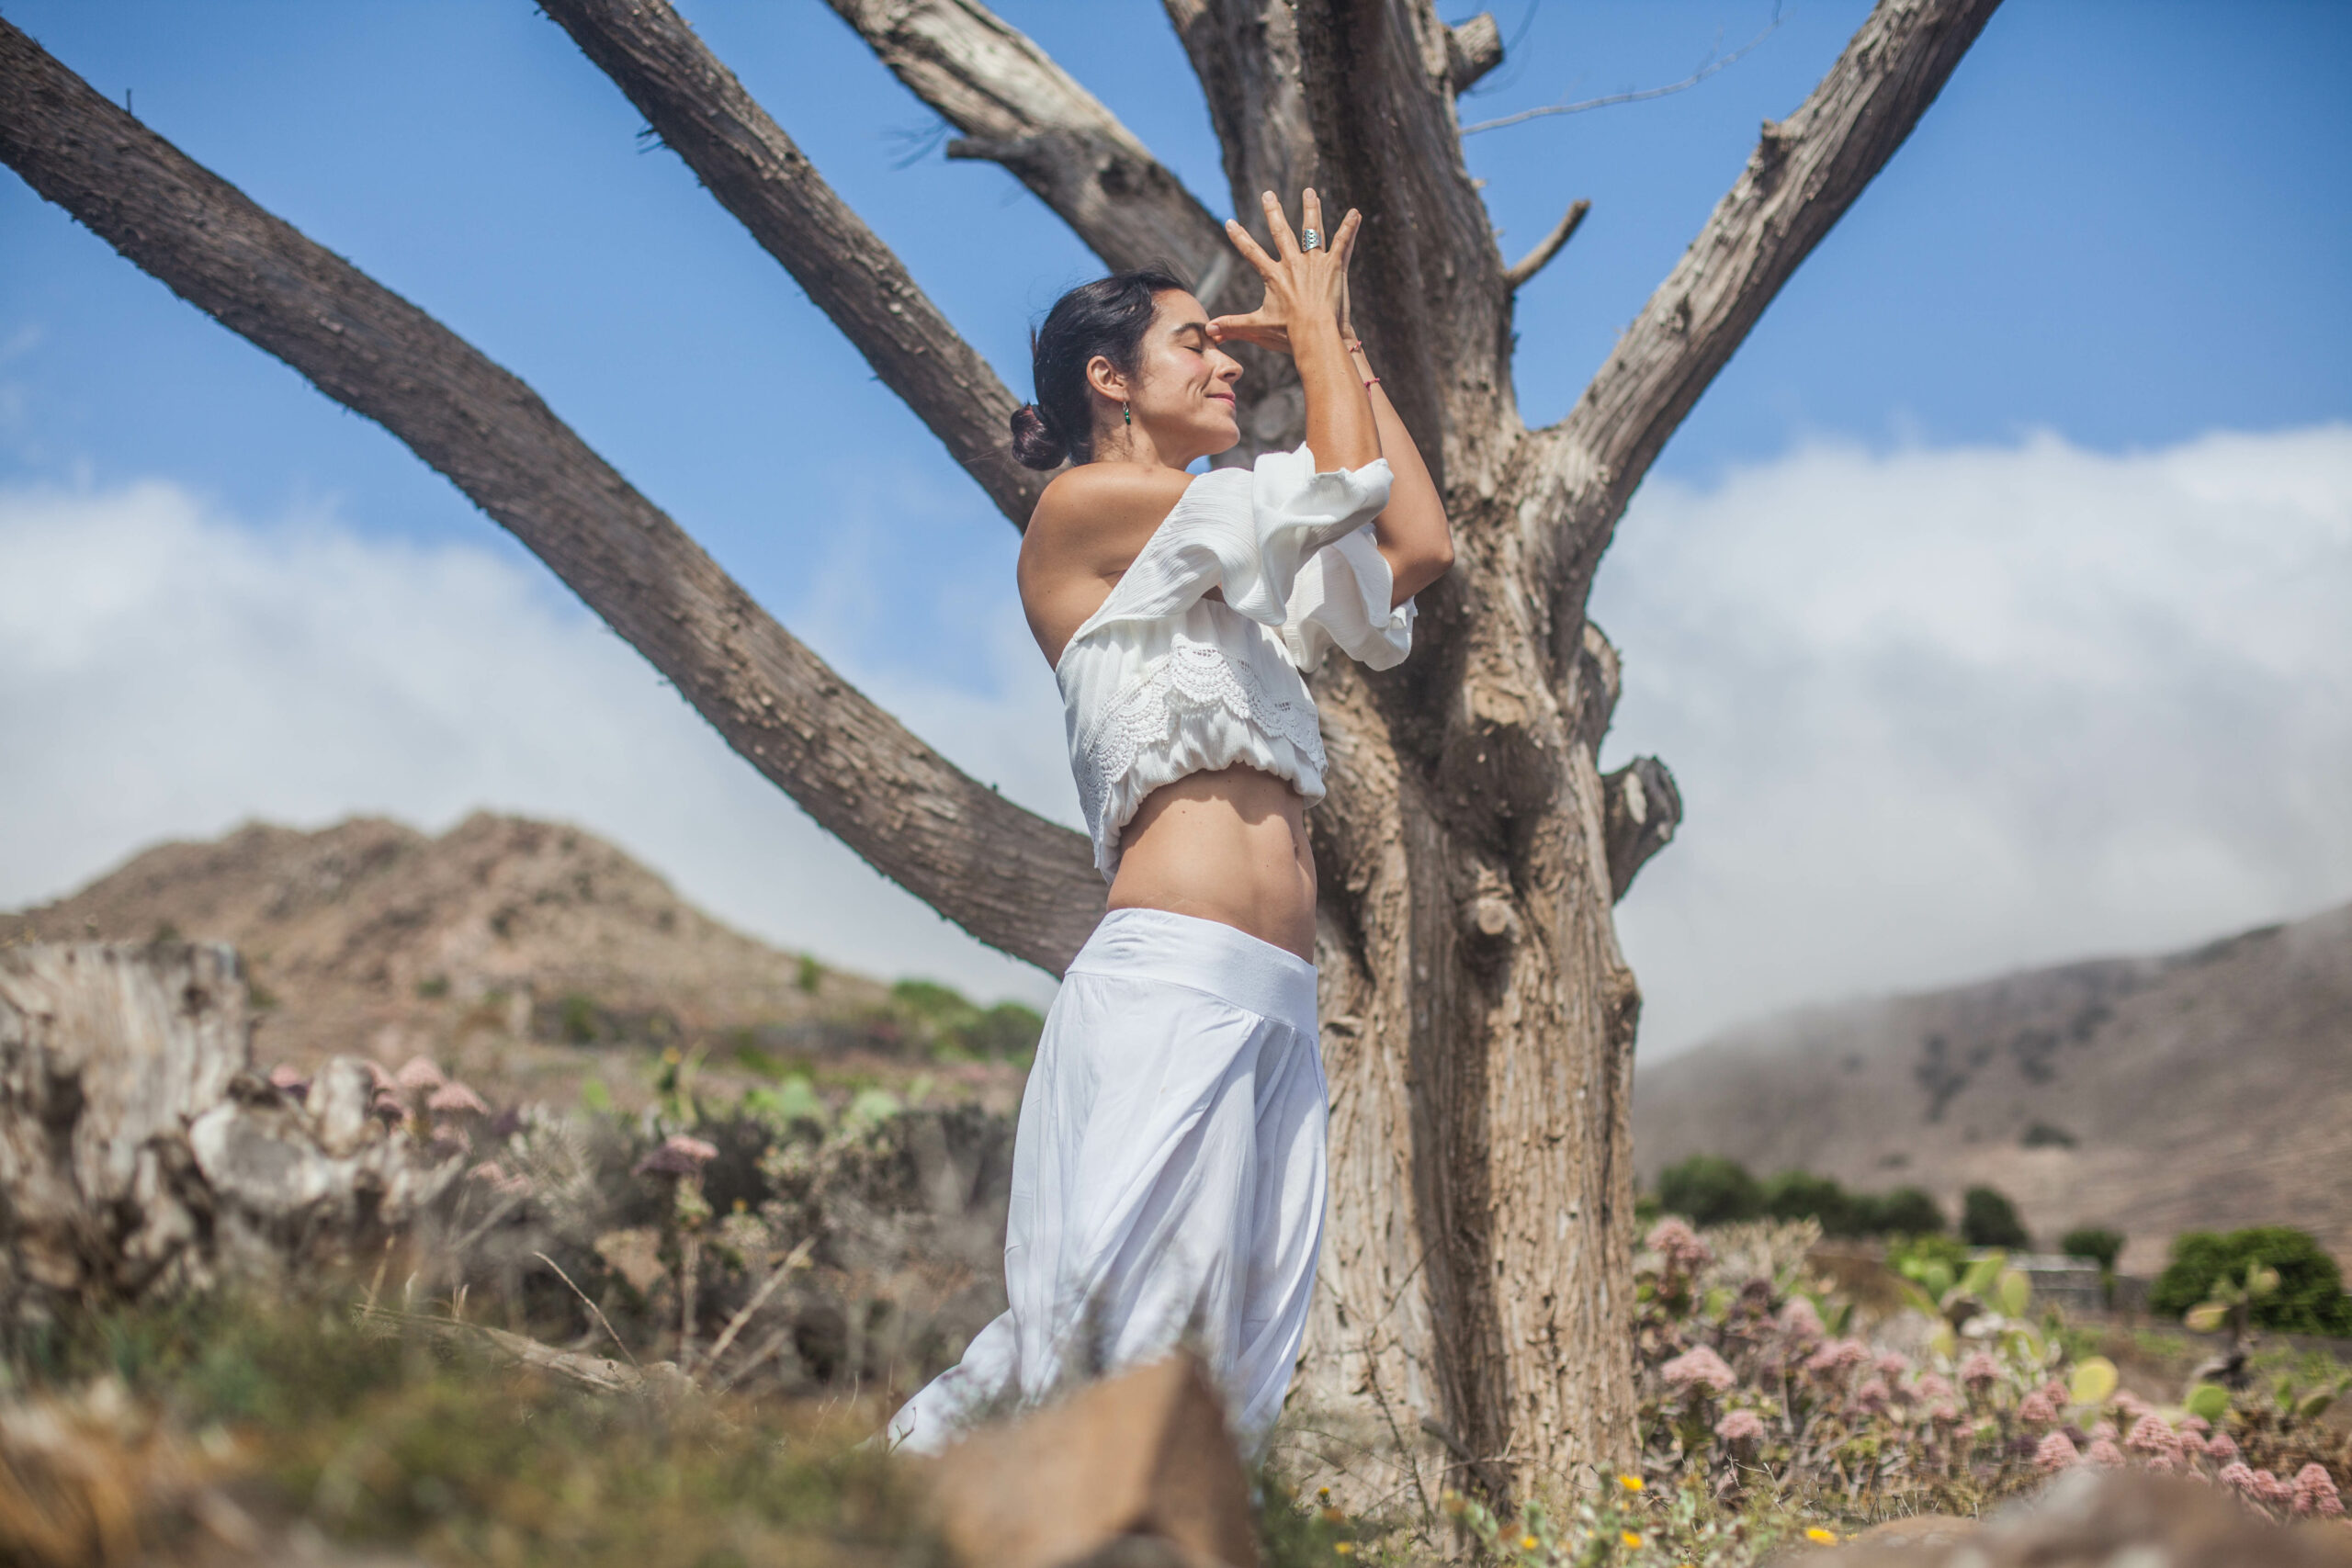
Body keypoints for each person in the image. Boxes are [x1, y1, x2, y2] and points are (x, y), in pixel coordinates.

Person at [884, 189, 1453, 1455]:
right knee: (1083, 1343)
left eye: (1226, 339)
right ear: (1110, 381)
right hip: (1171, 990)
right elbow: (1343, 488)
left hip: (1275, 1005)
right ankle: (832, 1529)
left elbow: (1413, 544)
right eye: (1194, 341)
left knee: (1222, 1384)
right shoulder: (1086, 511)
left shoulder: (1237, 578)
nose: (1224, 359)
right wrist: (1307, 331)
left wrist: (1343, 349)